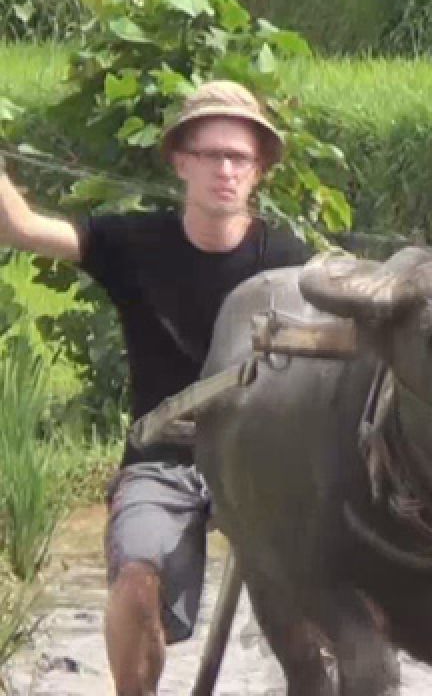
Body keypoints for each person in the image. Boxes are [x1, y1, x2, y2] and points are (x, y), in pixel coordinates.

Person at [0, 80, 313, 693]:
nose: (225, 169)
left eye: (239, 158)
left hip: (258, 462)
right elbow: (22, 228)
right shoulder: (133, 242)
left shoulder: (287, 258)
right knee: (137, 580)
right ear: (181, 162)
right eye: (212, 155)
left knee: (327, 591)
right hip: (160, 461)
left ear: (257, 173)